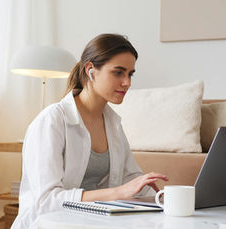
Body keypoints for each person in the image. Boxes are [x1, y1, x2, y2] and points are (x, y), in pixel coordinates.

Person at [12, 34, 168, 229]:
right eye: (118, 72)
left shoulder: (113, 124)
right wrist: (118, 193)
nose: (127, 82)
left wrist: (170, 198)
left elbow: (131, 179)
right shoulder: (52, 121)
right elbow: (46, 201)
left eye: (130, 74)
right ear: (91, 70)